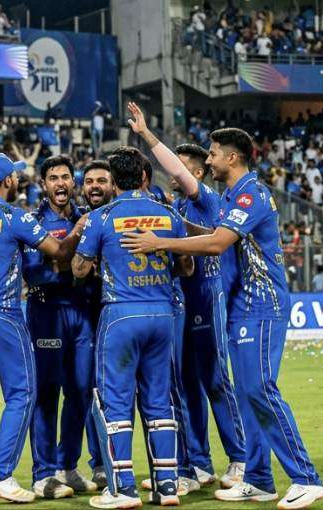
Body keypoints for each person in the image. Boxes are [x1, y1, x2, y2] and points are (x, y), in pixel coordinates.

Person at [122, 128, 323, 509]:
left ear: (231, 158)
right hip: (241, 306)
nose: (210, 159)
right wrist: (149, 139)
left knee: (261, 389)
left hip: (262, 305)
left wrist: (161, 242)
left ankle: (306, 477)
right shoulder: (232, 196)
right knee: (250, 395)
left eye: (214, 153)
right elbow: (214, 232)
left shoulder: (250, 194)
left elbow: (217, 243)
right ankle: (259, 479)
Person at [128, 102, 246, 492]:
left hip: (207, 296)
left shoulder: (206, 201)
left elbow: (198, 236)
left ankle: (241, 458)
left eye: (182, 167)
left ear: (196, 172)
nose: (171, 172)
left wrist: (146, 134)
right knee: (185, 384)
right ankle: (197, 464)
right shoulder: (175, 206)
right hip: (181, 299)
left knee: (214, 380)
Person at [0, 153, 81, 504]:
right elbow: (58, 252)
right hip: (2, 314)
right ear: (8, 181)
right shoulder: (13, 217)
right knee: (23, 393)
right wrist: (79, 230)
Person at [72, 146, 194, 509]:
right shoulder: (169, 214)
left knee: (116, 402)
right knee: (160, 400)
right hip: (162, 315)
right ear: (144, 177)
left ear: (113, 180)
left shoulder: (101, 218)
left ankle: (122, 488)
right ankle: (167, 486)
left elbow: (79, 269)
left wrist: (102, 264)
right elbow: (186, 266)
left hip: (121, 315)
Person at [23, 156, 107, 499]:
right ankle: (43, 474)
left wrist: (62, 263)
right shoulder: (33, 222)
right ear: (44, 184)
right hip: (47, 311)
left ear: (73, 184)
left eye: (66, 177)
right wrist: (68, 269)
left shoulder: (84, 219)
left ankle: (67, 467)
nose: (61, 183)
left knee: (81, 391)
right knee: (46, 394)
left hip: (81, 312)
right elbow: (33, 271)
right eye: (54, 178)